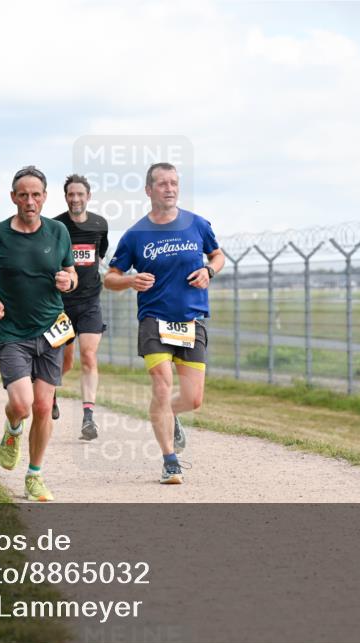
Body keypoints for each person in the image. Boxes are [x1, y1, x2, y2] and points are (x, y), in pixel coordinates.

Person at [103, 162, 225, 485]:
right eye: (162, 184)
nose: (169, 189)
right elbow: (109, 279)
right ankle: (170, 461)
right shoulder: (135, 235)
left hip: (191, 320)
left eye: (174, 183)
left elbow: (218, 256)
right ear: (148, 190)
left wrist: (209, 271)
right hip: (154, 320)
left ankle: (167, 415)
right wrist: (129, 281)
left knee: (193, 399)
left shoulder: (197, 225)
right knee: (161, 384)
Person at [0, 166, 76, 502]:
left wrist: (68, 280)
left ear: (45, 197)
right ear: (13, 197)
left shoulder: (58, 232)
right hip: (12, 331)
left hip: (50, 330)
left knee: (44, 407)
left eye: (36, 195)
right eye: (23, 195)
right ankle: (13, 428)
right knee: (22, 404)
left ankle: (34, 475)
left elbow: (70, 271)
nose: (30, 201)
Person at [52, 174, 109, 440]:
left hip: (89, 302)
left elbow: (100, 254)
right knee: (64, 362)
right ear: (66, 197)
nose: (75, 199)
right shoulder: (55, 226)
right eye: (70, 195)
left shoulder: (99, 225)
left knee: (88, 356)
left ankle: (88, 417)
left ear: (88, 196)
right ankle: (49, 391)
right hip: (60, 305)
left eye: (80, 194)